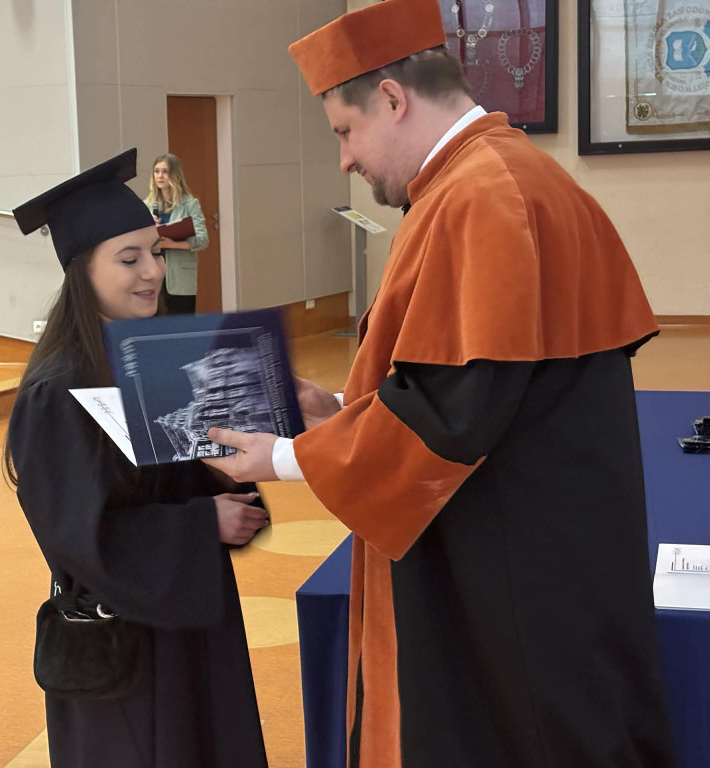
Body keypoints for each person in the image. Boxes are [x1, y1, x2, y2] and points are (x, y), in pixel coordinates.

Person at [203, 1, 675, 766]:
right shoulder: (507, 175)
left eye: (345, 133)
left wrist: (285, 457)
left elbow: (450, 416)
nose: (346, 162)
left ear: (392, 98)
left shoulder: (482, 196)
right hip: (544, 541)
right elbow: (464, 379)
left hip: (510, 570)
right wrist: (339, 414)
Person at [5, 148, 268, 768]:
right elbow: (80, 536)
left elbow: (177, 477)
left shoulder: (151, 358)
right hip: (122, 641)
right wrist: (205, 523)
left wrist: (232, 459)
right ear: (81, 272)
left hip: (185, 620)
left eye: (154, 251)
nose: (151, 271)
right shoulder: (57, 391)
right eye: (130, 259)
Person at [143, 153, 208, 314]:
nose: (160, 176)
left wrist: (172, 244)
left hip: (180, 278)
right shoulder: (147, 205)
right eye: (156, 171)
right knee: (157, 328)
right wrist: (148, 229)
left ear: (175, 174)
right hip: (153, 275)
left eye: (165, 171)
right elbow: (136, 242)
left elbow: (202, 240)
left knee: (181, 327)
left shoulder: (190, 204)